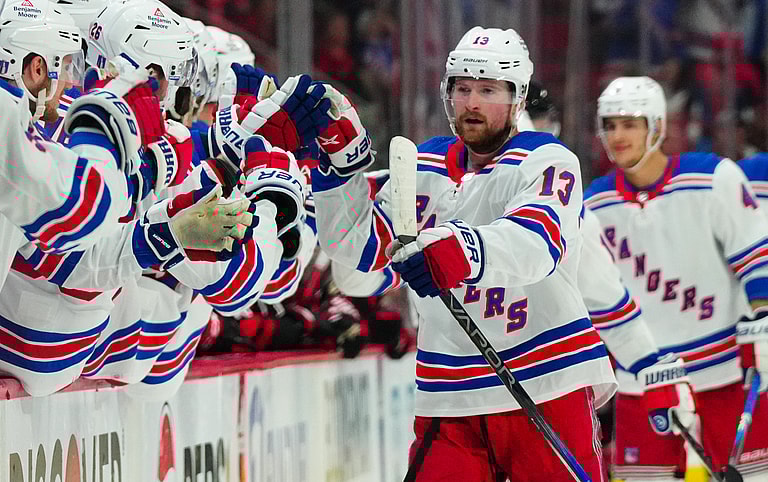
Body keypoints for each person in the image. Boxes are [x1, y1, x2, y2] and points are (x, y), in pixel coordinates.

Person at [311, 26, 617, 481]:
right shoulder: (420, 166)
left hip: (545, 381)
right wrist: (333, 169)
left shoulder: (547, 160)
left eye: (488, 90)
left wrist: (460, 249)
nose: (471, 102)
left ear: (517, 98)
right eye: (463, 88)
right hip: (451, 398)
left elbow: (537, 243)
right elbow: (358, 260)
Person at [584, 76, 768, 481]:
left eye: (630, 124)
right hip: (644, 378)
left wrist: (763, 314)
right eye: (610, 125)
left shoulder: (713, 178)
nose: (618, 135)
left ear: (657, 127)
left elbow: (756, 253)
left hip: (725, 369)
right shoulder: (590, 206)